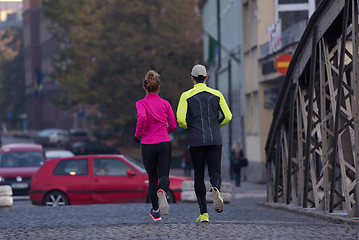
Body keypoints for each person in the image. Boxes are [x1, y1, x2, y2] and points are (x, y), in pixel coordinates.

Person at [176, 64, 232, 222]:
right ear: (206, 78)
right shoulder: (217, 94)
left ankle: (203, 214)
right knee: (215, 172)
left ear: (192, 78)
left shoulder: (186, 95)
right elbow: (228, 116)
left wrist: (189, 126)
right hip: (215, 138)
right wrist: (216, 125)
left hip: (196, 140)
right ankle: (216, 189)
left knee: (199, 176)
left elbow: (180, 119)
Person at [134, 70, 177, 221]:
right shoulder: (165, 103)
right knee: (164, 175)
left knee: (152, 178)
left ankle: (155, 210)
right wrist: (165, 130)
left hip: (147, 144)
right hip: (164, 142)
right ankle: (163, 191)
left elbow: (142, 117)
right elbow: (173, 124)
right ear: (158, 88)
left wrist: (137, 133)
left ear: (144, 87)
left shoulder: (141, 103)